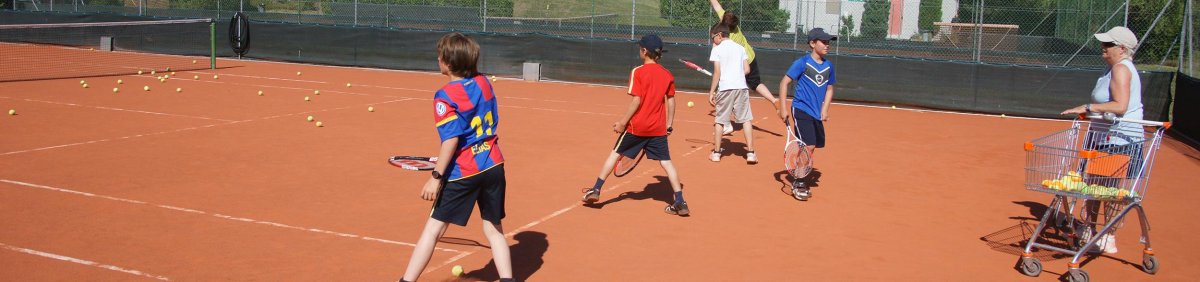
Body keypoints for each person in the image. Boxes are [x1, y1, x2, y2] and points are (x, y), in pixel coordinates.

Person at [399, 33, 514, 282]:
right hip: (494, 164)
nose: (438, 59)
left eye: (440, 56)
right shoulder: (485, 82)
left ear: (448, 63)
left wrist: (436, 177)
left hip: (464, 172)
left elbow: (450, 140)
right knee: (494, 230)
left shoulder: (445, 96)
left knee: (432, 231)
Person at [1059, 26, 1145, 255]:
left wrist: (1088, 107)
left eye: (1108, 45)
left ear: (1122, 49)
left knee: (1108, 192)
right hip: (1106, 137)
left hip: (1117, 140)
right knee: (1097, 188)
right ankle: (1090, 229)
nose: (1103, 48)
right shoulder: (1114, 68)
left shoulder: (1121, 69)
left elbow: (1120, 105)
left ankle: (1107, 237)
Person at [581, 34, 689, 216]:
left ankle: (596, 189)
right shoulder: (667, 74)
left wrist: (622, 123)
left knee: (615, 154)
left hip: (637, 127)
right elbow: (671, 101)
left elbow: (636, 101)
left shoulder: (637, 72)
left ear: (644, 51)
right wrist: (668, 125)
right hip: (657, 129)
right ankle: (680, 201)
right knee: (666, 162)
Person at [778, 28, 837, 199]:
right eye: (823, 42)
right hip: (800, 109)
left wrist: (824, 109)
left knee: (812, 147)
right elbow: (784, 83)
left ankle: (799, 170)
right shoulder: (802, 63)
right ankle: (799, 181)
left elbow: (830, 88)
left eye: (828, 42)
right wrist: (783, 108)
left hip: (815, 113)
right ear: (812, 44)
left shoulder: (828, 66)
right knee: (808, 145)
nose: (827, 45)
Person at [708, 0, 781, 135]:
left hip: (741, 62)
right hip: (750, 56)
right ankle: (774, 100)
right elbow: (716, 5)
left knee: (726, 91)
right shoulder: (732, 25)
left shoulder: (728, 38)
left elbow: (720, 53)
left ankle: (727, 124)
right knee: (755, 83)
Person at [708, 23, 757, 164]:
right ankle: (751, 153)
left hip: (725, 88)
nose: (713, 41)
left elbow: (717, 72)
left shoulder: (717, 49)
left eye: (713, 38)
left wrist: (711, 91)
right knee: (746, 119)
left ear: (719, 35)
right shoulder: (740, 48)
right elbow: (747, 69)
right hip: (741, 87)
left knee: (720, 120)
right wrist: (736, 74)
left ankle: (716, 153)